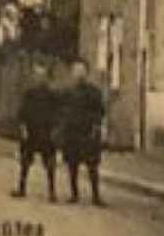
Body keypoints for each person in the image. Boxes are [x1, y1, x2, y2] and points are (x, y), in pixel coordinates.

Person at [59, 59, 107, 206]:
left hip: (88, 132)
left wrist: (97, 127)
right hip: (72, 132)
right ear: (72, 73)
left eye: (81, 71)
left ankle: (96, 196)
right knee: (72, 165)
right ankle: (74, 195)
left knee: (92, 165)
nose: (78, 74)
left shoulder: (94, 92)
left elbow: (100, 112)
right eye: (75, 71)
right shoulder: (68, 92)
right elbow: (61, 111)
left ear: (86, 73)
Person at [11, 62, 59, 201]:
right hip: (31, 132)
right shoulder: (29, 94)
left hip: (46, 132)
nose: (39, 78)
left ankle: (51, 192)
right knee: (25, 161)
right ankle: (21, 188)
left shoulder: (51, 95)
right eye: (37, 75)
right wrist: (24, 129)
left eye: (42, 75)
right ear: (34, 77)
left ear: (46, 78)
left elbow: (56, 114)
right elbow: (22, 113)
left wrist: (55, 131)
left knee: (50, 164)